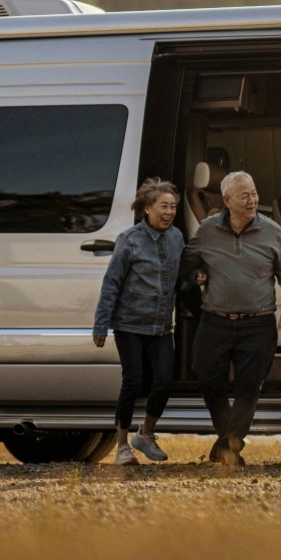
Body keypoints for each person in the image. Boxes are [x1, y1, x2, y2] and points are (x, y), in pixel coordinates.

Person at [181, 170, 281, 468]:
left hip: (258, 323)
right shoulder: (207, 230)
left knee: (249, 387)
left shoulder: (273, 231)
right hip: (215, 321)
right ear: (227, 201)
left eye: (254, 193)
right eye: (244, 196)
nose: (252, 200)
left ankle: (228, 446)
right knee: (206, 377)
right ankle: (229, 440)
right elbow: (186, 265)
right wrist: (197, 275)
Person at [92, 178, 184, 466]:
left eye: (173, 207)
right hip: (129, 323)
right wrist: (101, 324)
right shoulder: (129, 239)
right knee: (133, 381)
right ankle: (121, 446)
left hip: (161, 325)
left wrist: (199, 275)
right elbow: (111, 283)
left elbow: (183, 271)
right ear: (147, 208)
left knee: (165, 381)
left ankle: (145, 434)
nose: (169, 212)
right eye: (163, 206)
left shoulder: (177, 238)